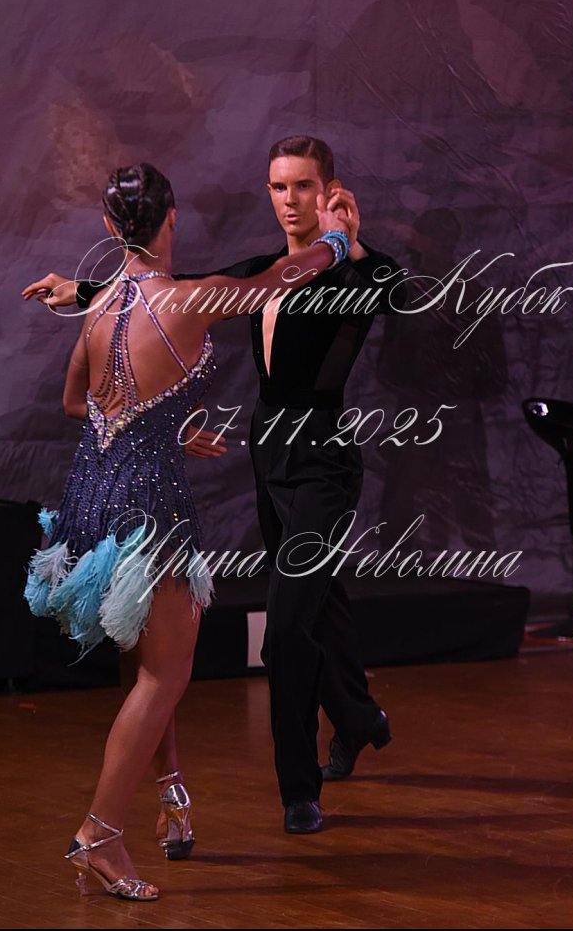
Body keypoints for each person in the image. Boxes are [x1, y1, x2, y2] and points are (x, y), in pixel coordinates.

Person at [22, 136, 405, 835]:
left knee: (286, 625)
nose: (289, 200)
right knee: (314, 608)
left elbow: (396, 292)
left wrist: (349, 245)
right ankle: (357, 718)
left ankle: (295, 790)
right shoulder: (253, 273)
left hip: (319, 462)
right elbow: (170, 294)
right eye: (278, 187)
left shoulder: (360, 272)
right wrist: (81, 293)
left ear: (329, 191)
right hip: (263, 458)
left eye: (302, 186)